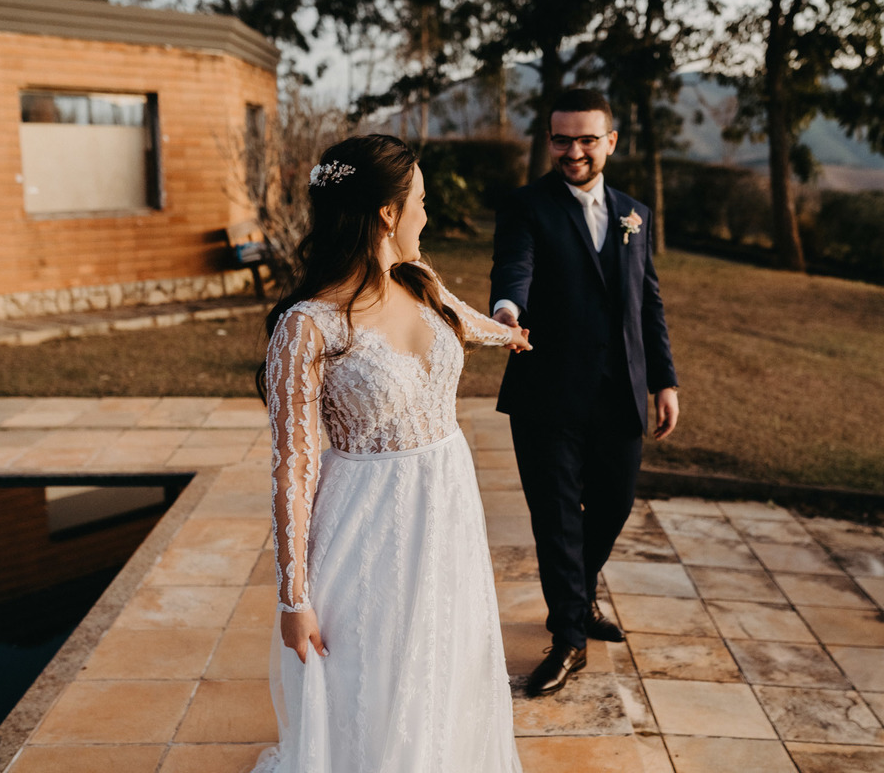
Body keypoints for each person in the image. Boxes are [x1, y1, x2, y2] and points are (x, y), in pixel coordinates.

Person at [253, 134, 529, 773]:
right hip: (368, 522)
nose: (427, 216)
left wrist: (510, 335)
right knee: (375, 670)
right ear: (387, 213)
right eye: (422, 203)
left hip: (448, 502)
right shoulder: (308, 326)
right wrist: (293, 599)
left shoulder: (420, 281)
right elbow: (292, 467)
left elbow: (463, 320)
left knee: (446, 653)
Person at [490, 89, 679, 697]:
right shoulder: (526, 207)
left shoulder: (635, 213)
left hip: (619, 393)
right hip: (547, 393)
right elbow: (514, 268)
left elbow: (647, 302)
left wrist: (664, 380)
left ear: (610, 142)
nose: (573, 151)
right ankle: (569, 634)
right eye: (561, 139)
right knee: (556, 522)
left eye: (586, 139)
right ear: (548, 140)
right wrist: (506, 311)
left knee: (615, 505)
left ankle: (576, 595)